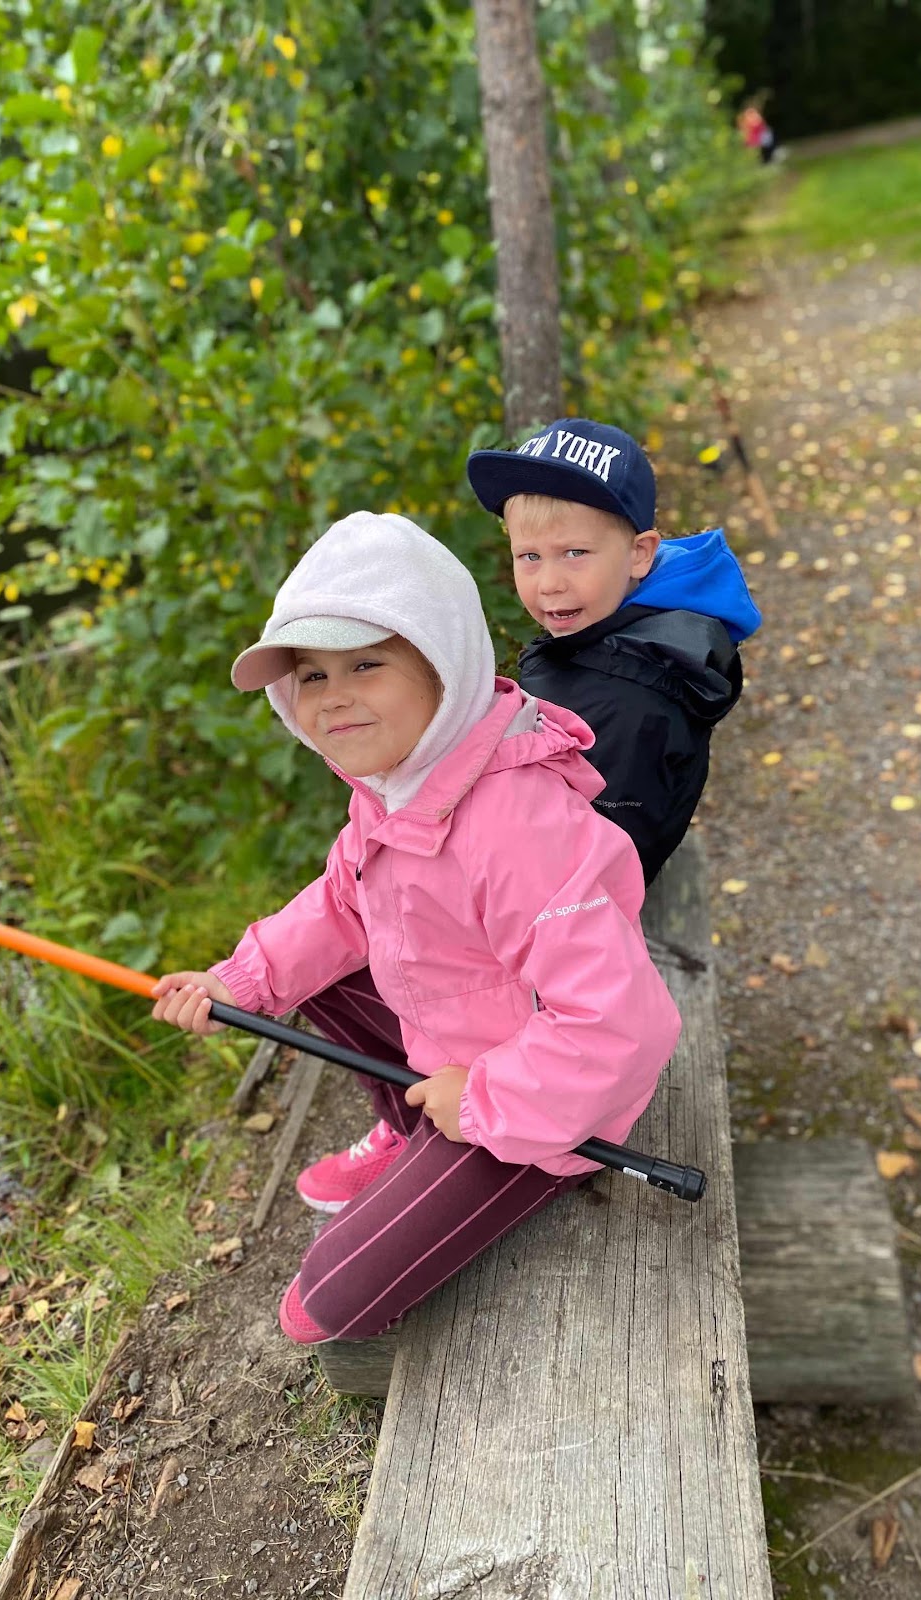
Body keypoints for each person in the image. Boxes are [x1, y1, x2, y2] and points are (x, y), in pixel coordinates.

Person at [150, 511, 681, 1345]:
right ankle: (412, 1128)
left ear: (444, 662)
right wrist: (236, 984)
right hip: (459, 1055)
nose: (334, 696)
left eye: (366, 663)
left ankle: (476, 1148)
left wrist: (486, 1098)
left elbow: (624, 1025)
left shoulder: (518, 827)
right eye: (312, 676)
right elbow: (340, 903)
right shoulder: (398, 782)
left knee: (321, 1306)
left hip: (548, 1106)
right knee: (310, 969)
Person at [466, 418, 761, 886]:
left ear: (640, 554)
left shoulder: (625, 693)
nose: (550, 583)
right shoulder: (608, 640)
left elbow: (583, 868)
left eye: (575, 553)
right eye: (530, 556)